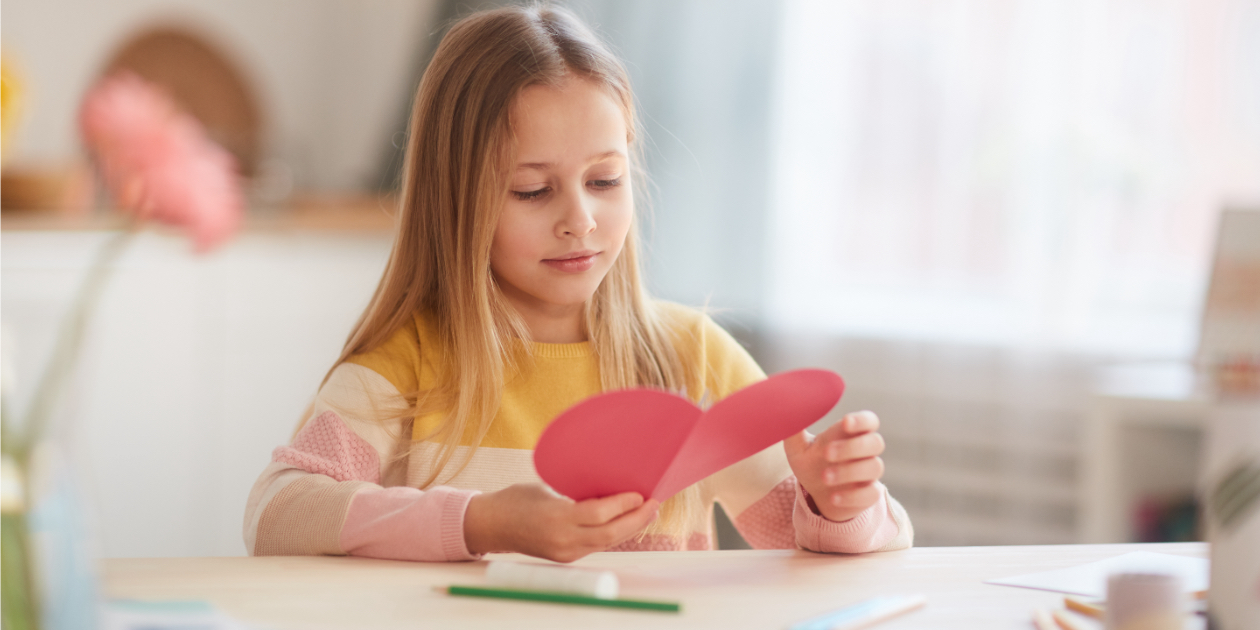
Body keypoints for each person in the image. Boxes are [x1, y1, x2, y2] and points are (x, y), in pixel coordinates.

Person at [243, 5, 912, 563]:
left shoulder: (692, 359)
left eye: (603, 181)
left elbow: (805, 538)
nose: (580, 221)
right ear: (457, 200)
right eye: (534, 190)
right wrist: (482, 522)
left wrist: (837, 503)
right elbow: (277, 512)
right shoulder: (410, 363)